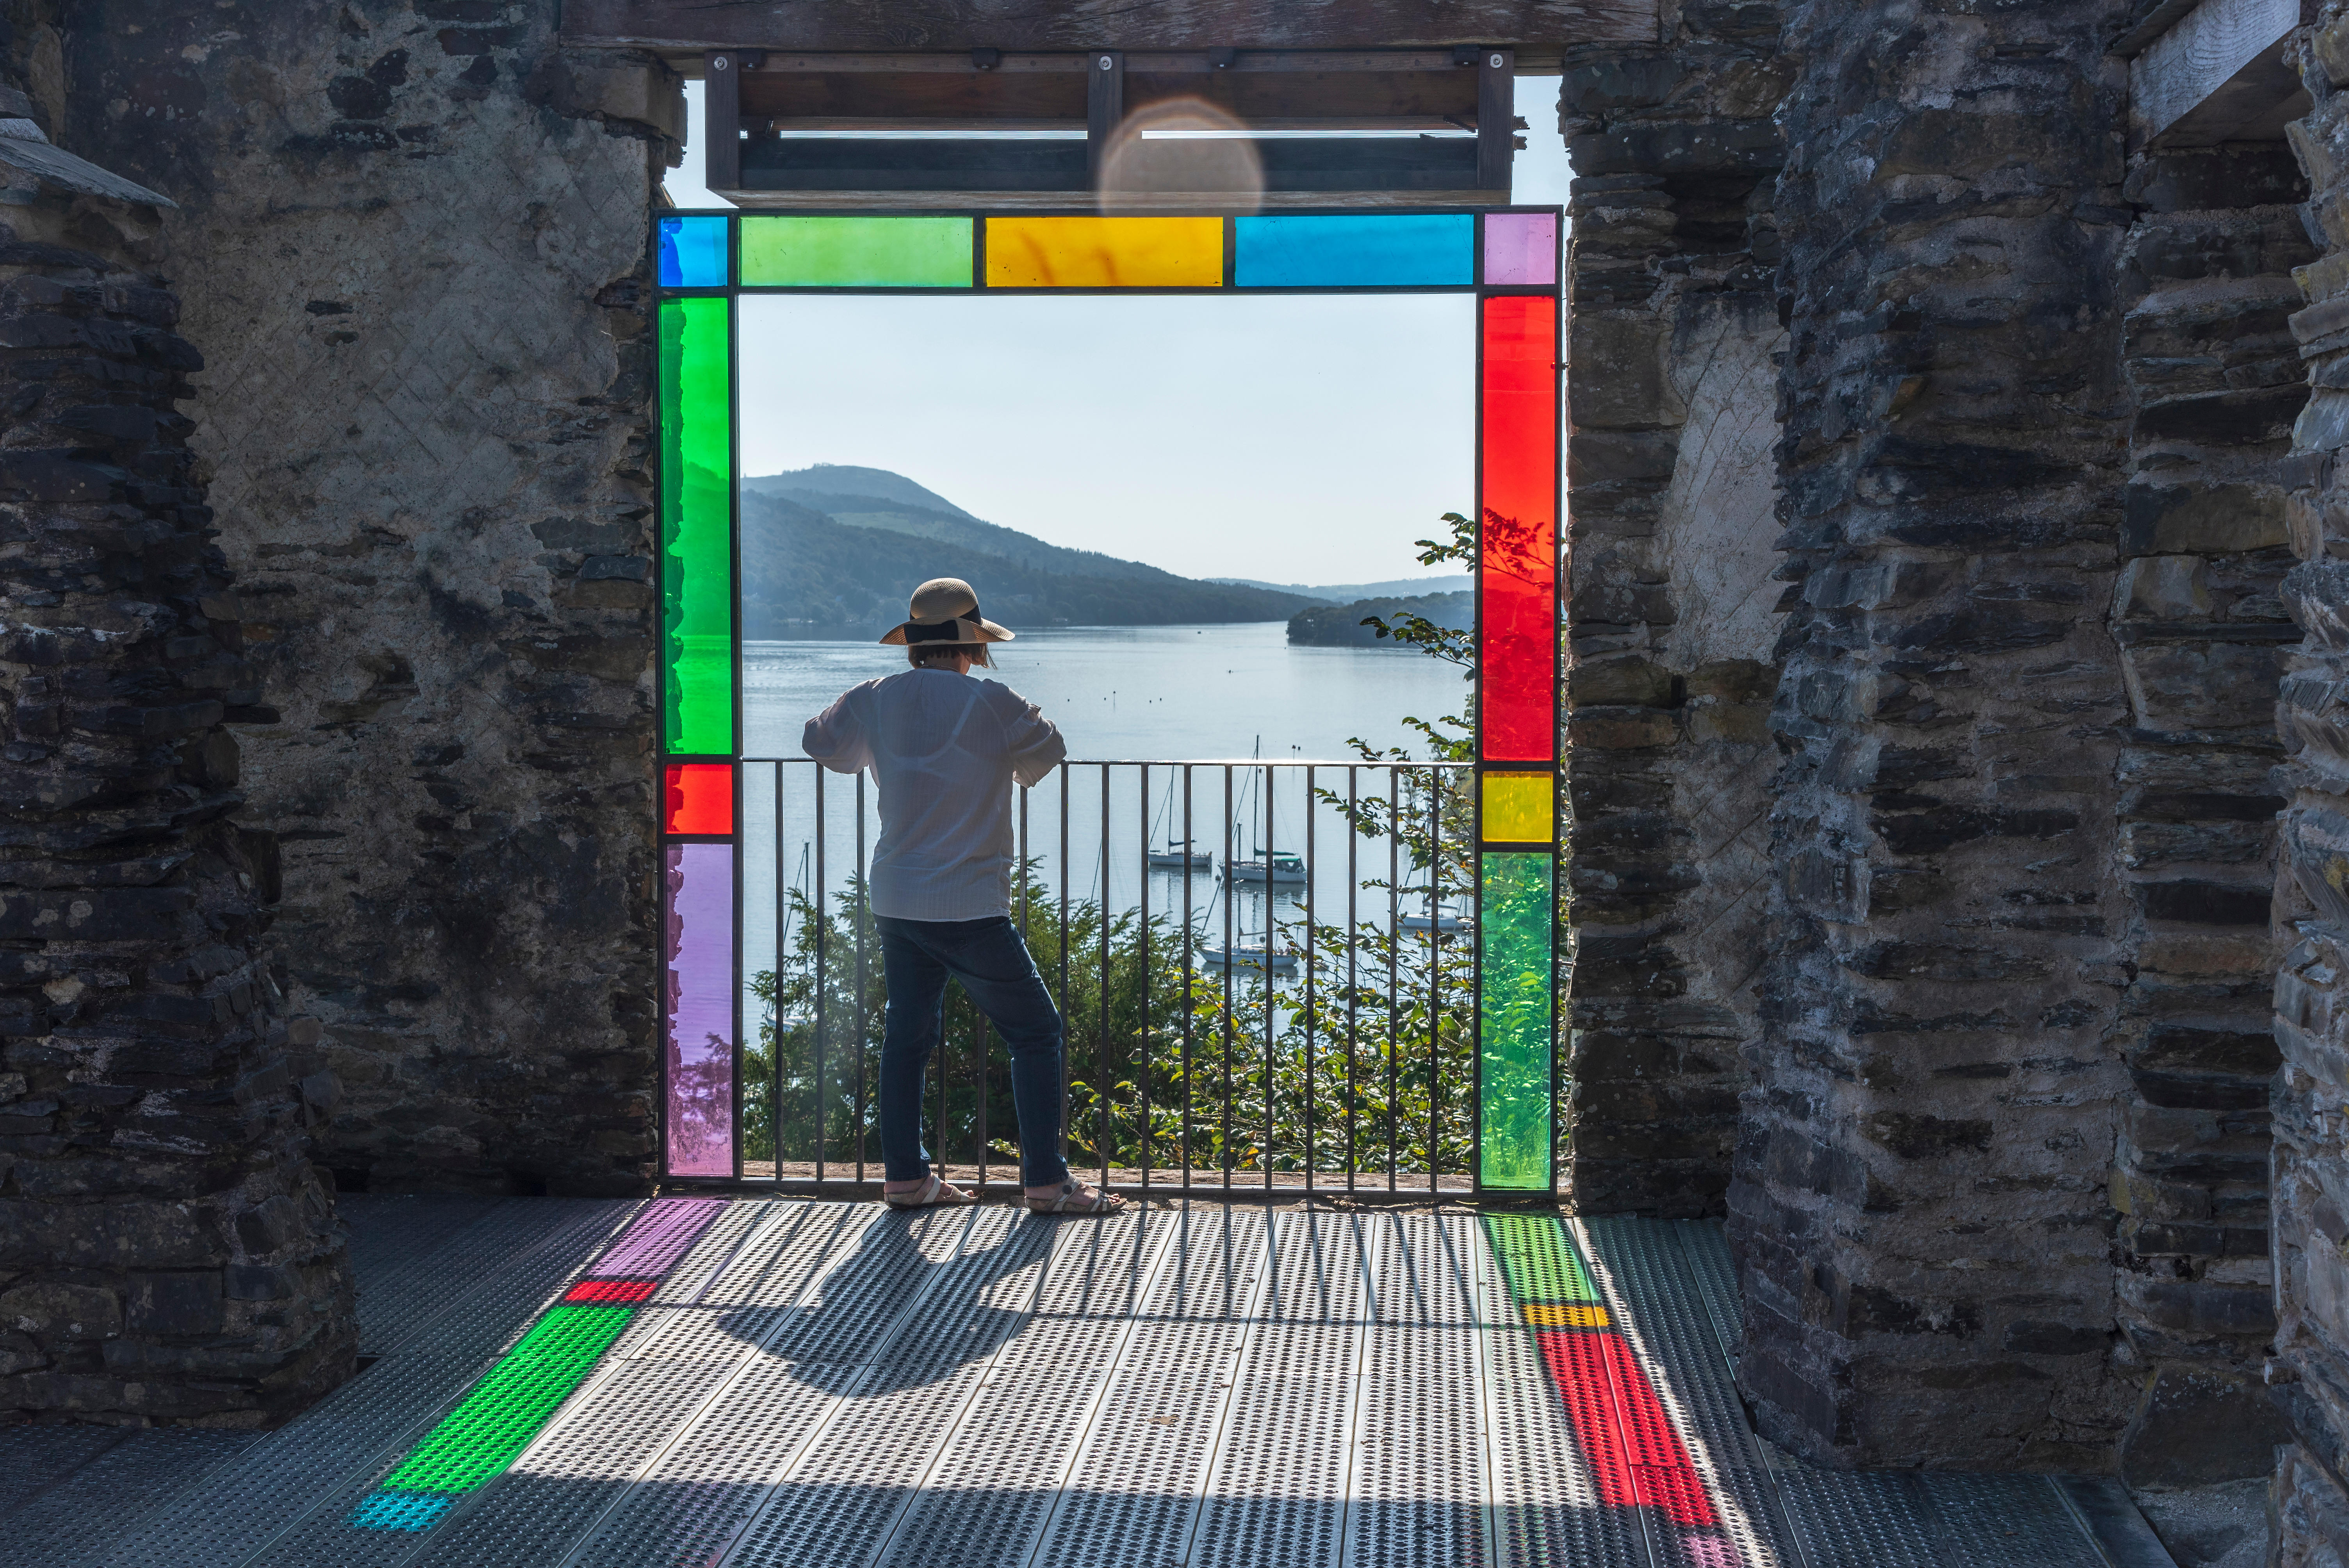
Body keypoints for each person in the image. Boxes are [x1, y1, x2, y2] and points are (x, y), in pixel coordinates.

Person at [802, 578, 1126, 1216]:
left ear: (915, 645)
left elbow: (819, 741)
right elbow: (1049, 751)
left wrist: (870, 725)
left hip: (896, 897)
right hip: (970, 901)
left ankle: (906, 1179)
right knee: (1036, 1032)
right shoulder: (995, 704)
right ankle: (1046, 1183)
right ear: (972, 645)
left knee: (908, 1037)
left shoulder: (874, 698)